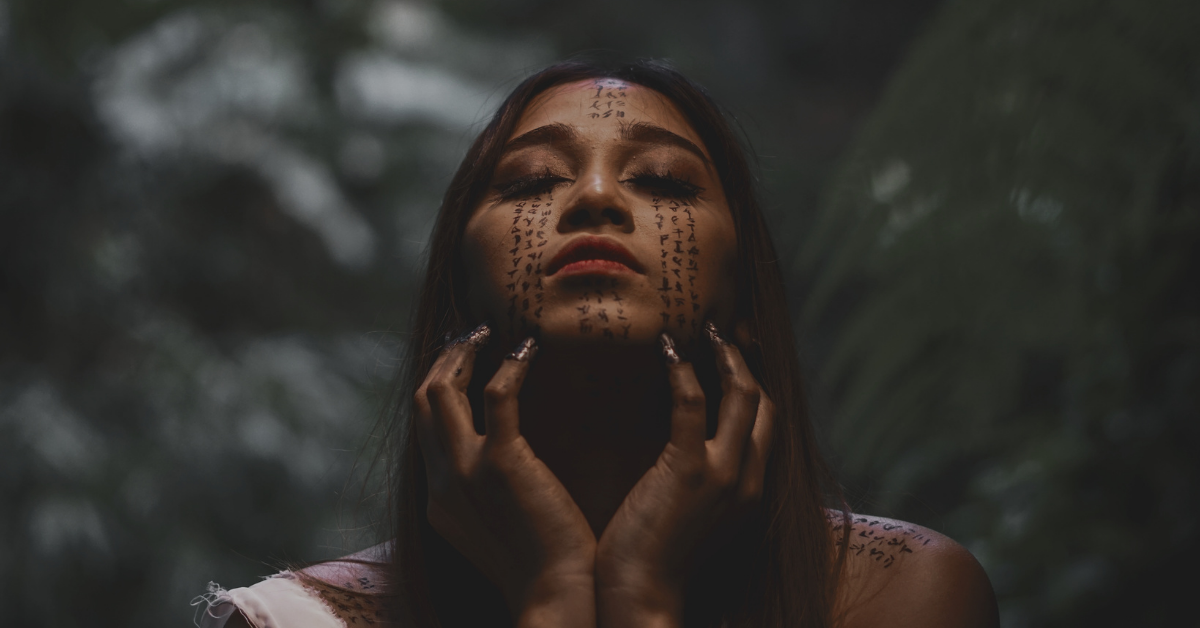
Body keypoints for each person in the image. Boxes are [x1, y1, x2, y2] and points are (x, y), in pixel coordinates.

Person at [195, 60, 999, 628]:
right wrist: (555, 597)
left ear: (747, 299)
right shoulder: (300, 622)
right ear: (456, 295)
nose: (597, 196)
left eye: (663, 180)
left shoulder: (901, 597)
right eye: (533, 180)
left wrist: (640, 597)